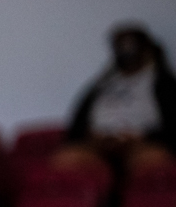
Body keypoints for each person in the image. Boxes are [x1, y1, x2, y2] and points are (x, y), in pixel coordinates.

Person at [61, 25, 176, 172]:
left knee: (153, 161)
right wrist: (91, 135)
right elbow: (76, 124)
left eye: (131, 45)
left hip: (142, 143)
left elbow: (172, 127)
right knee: (68, 159)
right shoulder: (103, 82)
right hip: (99, 143)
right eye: (121, 46)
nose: (126, 51)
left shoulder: (163, 83)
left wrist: (143, 136)